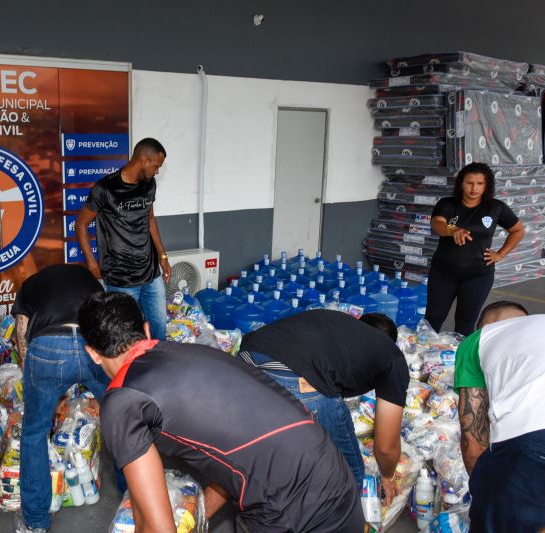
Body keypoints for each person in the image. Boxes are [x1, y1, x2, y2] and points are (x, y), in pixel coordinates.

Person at [78, 292, 363, 533]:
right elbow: (235, 454)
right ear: (146, 329)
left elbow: (158, 527)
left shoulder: (123, 400)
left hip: (291, 506)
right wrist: (197, 511)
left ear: (92, 352)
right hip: (335, 479)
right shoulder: (191, 353)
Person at [236, 310, 408, 497]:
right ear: (392, 344)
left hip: (245, 358)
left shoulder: (337, 324)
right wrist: (387, 476)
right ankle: (345, 521)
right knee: (349, 471)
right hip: (296, 377)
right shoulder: (392, 357)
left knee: (254, 450)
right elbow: (386, 447)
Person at [11, 264, 108, 533]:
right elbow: (107, 317)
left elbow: (22, 334)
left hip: (48, 346)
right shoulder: (87, 277)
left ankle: (36, 521)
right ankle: (136, 500)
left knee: (34, 433)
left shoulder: (29, 286)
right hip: (93, 344)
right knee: (123, 420)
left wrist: (34, 378)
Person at [454, 301, 544, 532]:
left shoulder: (477, 340)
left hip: (533, 434)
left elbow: (473, 442)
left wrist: (486, 490)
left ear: (482, 326)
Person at [76, 138, 172, 341]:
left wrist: (162, 256)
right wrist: (92, 263)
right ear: (144, 159)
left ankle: (158, 370)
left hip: (150, 273)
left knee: (158, 330)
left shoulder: (149, 185)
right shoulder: (105, 188)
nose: (157, 172)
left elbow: (150, 219)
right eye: (156, 166)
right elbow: (81, 225)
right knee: (124, 337)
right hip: (121, 279)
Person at [425, 162, 525, 335]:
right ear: (461, 183)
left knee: (466, 322)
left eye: (480, 183)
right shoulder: (447, 204)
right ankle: (421, 358)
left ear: (487, 186)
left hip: (478, 276)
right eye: (469, 182)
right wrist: (453, 229)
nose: (474, 188)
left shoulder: (496, 207)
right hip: (443, 273)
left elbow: (518, 230)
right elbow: (437, 224)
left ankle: (462, 359)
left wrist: (501, 254)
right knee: (433, 318)